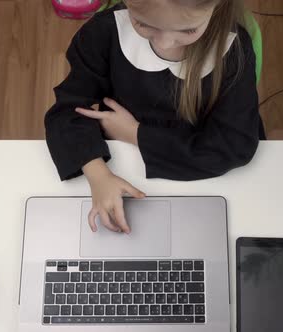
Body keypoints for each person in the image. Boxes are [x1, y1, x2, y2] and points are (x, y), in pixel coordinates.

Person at [45, 0, 263, 234]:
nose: (165, 43)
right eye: (144, 25)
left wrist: (136, 134)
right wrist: (98, 175)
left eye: (188, 30)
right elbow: (66, 112)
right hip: (129, 161)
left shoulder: (234, 48)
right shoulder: (104, 32)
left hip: (203, 176)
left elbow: (233, 146)